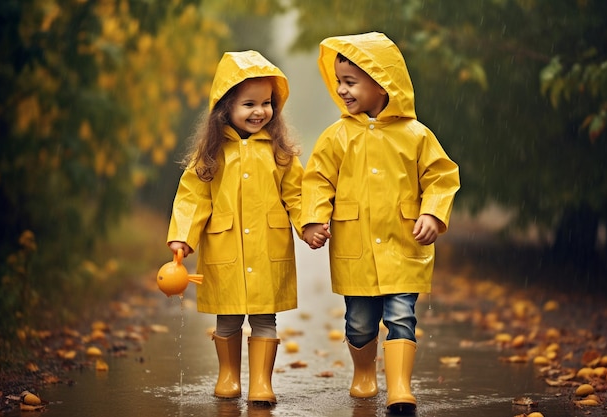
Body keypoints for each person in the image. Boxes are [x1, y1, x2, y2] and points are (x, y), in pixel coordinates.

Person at [301, 32, 460, 414]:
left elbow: (441, 177)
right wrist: (313, 219)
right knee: (359, 321)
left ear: (381, 82)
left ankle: (401, 387)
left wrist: (433, 213)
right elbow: (318, 180)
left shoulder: (416, 136)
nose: (341, 89)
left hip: (404, 244)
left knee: (402, 315)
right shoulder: (337, 137)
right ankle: (364, 374)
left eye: (351, 82)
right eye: (339, 81)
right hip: (355, 249)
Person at [166, 50, 303, 406]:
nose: (260, 111)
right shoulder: (211, 154)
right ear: (226, 107)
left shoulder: (279, 150)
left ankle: (261, 382)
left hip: (267, 247)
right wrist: (183, 236)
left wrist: (309, 224)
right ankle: (228, 376)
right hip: (224, 247)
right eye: (249, 104)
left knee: (264, 316)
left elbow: (298, 194)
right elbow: (193, 197)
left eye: (267, 103)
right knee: (227, 316)